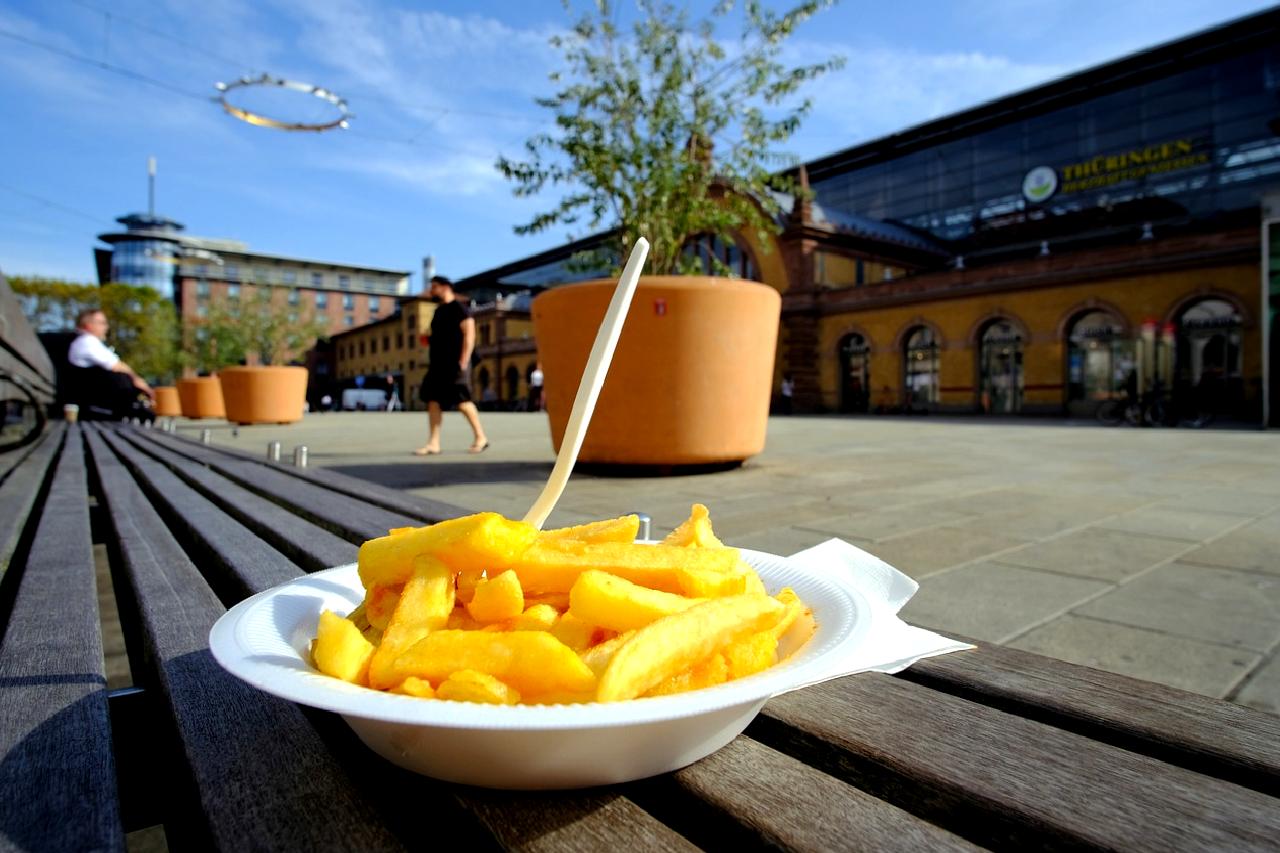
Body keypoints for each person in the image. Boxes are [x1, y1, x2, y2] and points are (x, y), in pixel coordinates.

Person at [414, 276, 489, 455]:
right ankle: (433, 443)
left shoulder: (459, 309)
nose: (432, 290)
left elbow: (469, 335)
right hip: (438, 365)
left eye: (434, 287)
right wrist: (428, 339)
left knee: (462, 401)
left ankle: (481, 437)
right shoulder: (439, 311)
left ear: (445, 287)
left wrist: (463, 361)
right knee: (433, 401)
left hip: (456, 364)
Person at [66, 308, 154, 420]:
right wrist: (139, 382)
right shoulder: (87, 341)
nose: (106, 327)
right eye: (102, 323)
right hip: (92, 407)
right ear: (88, 325)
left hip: (94, 404)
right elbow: (116, 366)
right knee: (124, 379)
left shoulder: (86, 342)